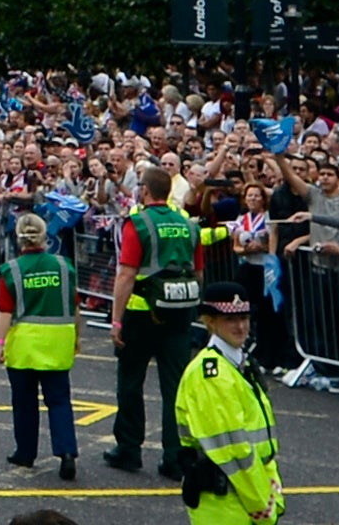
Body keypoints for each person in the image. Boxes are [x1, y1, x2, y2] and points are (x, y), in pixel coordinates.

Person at [107, 163, 231, 479]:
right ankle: (175, 457)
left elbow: (127, 274)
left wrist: (116, 320)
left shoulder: (138, 224)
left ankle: (129, 450)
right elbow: (199, 272)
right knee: (175, 387)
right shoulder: (189, 225)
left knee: (131, 382)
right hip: (179, 313)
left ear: (145, 191)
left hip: (141, 312)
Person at [172, 286, 282, 525]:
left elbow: (258, 442)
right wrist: (262, 505)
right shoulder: (211, 375)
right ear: (210, 322)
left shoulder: (237, 363)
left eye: (243, 317)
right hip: (226, 502)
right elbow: (233, 451)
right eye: (230, 319)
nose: (240, 326)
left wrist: (271, 489)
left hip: (243, 494)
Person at [0, 212, 81, 481]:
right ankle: (67, 453)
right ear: (46, 236)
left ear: (18, 238)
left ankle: (26, 452)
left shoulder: (12, 270)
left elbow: (5, 312)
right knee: (59, 401)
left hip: (25, 343)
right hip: (58, 339)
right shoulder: (64, 266)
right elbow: (75, 305)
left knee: (24, 402)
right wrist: (77, 336)